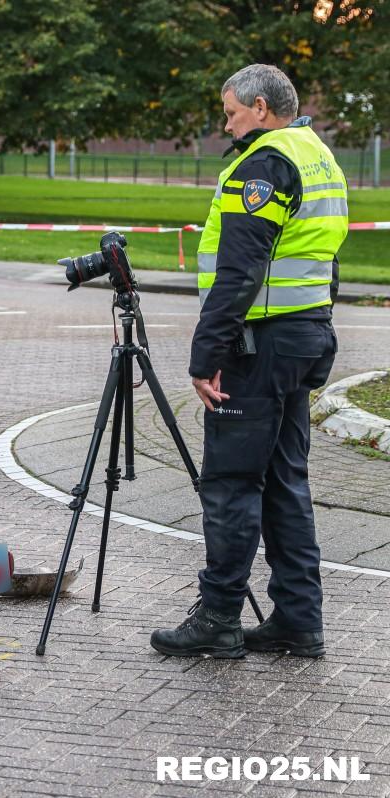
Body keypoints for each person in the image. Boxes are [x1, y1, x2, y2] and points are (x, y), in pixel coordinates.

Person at [150, 64, 346, 660]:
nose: (226, 122)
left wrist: (207, 356)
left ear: (261, 107)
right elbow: (325, 262)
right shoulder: (317, 155)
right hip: (303, 336)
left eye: (232, 111)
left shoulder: (262, 164)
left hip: (258, 346)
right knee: (286, 482)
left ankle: (218, 619)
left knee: (233, 482)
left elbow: (240, 270)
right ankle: (297, 619)